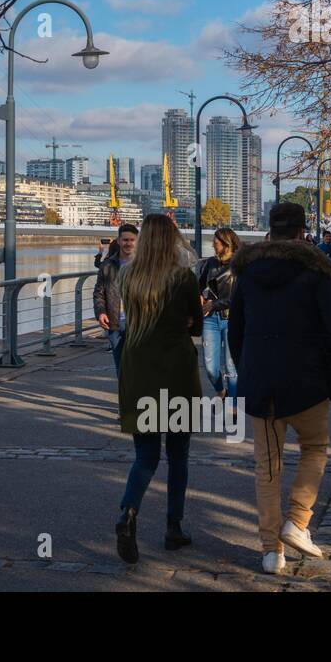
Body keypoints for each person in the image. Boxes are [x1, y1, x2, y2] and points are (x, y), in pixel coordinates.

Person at [228, 202, 331, 574]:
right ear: (302, 232)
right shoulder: (315, 271)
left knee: (267, 467)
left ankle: (271, 552)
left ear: (270, 231)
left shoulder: (248, 273)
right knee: (315, 450)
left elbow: (236, 332)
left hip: (262, 384)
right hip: (308, 382)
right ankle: (297, 523)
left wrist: (247, 372)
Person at [113, 214, 203, 563]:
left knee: (146, 456)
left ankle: (127, 513)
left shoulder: (127, 275)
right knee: (178, 456)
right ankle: (173, 528)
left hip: (138, 371)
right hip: (176, 373)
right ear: (171, 240)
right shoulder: (183, 278)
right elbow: (194, 325)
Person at [196, 227, 240, 397]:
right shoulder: (210, 263)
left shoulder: (240, 265)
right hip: (210, 319)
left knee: (231, 367)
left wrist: (214, 304)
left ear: (226, 243)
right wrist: (199, 296)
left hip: (232, 319)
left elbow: (239, 297)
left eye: (216, 243)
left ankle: (234, 408)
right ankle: (221, 392)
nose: (213, 245)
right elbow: (198, 286)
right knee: (210, 368)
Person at [94, 223, 139, 369]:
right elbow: (99, 292)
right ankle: (126, 392)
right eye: (125, 240)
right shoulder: (107, 265)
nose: (128, 243)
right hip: (114, 323)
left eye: (132, 240)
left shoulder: (143, 265)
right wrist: (100, 312)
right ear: (118, 241)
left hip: (138, 323)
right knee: (121, 368)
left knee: (136, 367)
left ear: (137, 241)